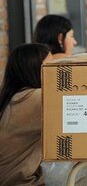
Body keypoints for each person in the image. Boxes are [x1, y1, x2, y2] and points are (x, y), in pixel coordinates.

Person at [0, 43, 52, 185]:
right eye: (50, 66)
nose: (55, 72)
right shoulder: (36, 98)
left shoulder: (13, 97)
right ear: (34, 70)